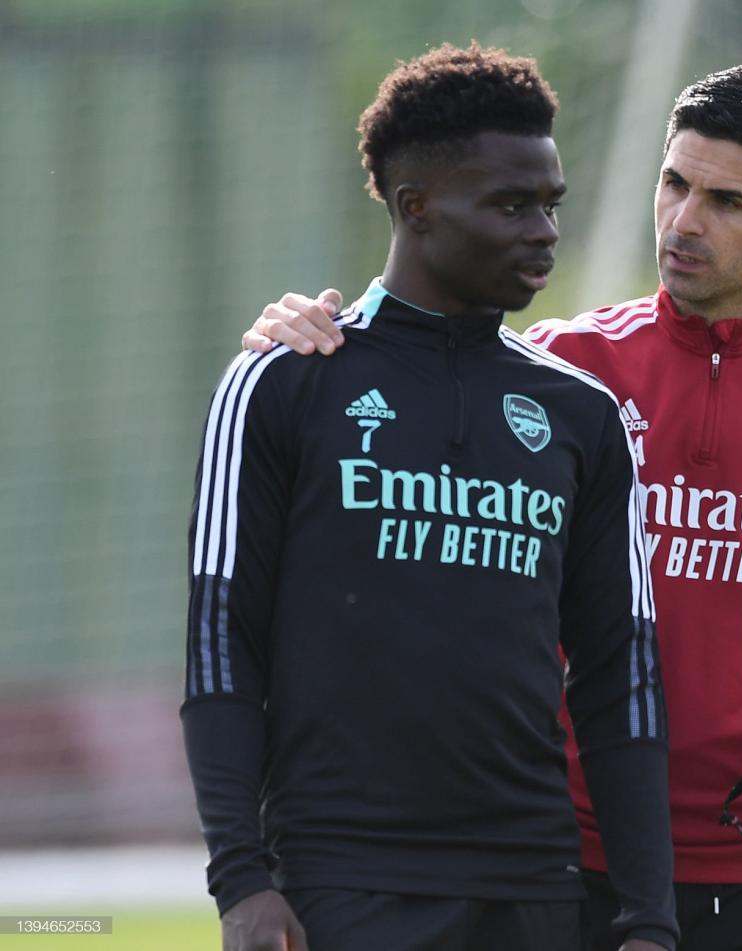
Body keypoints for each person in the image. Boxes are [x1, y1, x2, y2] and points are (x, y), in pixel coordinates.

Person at [246, 65, 742, 951]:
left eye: (727, 201)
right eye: (674, 183)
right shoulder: (557, 374)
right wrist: (308, 337)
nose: (684, 221)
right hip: (568, 864)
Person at [183, 43, 678, 951]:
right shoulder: (286, 383)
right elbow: (223, 642)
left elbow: (621, 672)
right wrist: (241, 881)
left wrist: (650, 917)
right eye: (511, 204)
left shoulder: (583, 415)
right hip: (343, 882)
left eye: (551, 204)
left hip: (533, 885)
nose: (543, 231)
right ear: (416, 208)